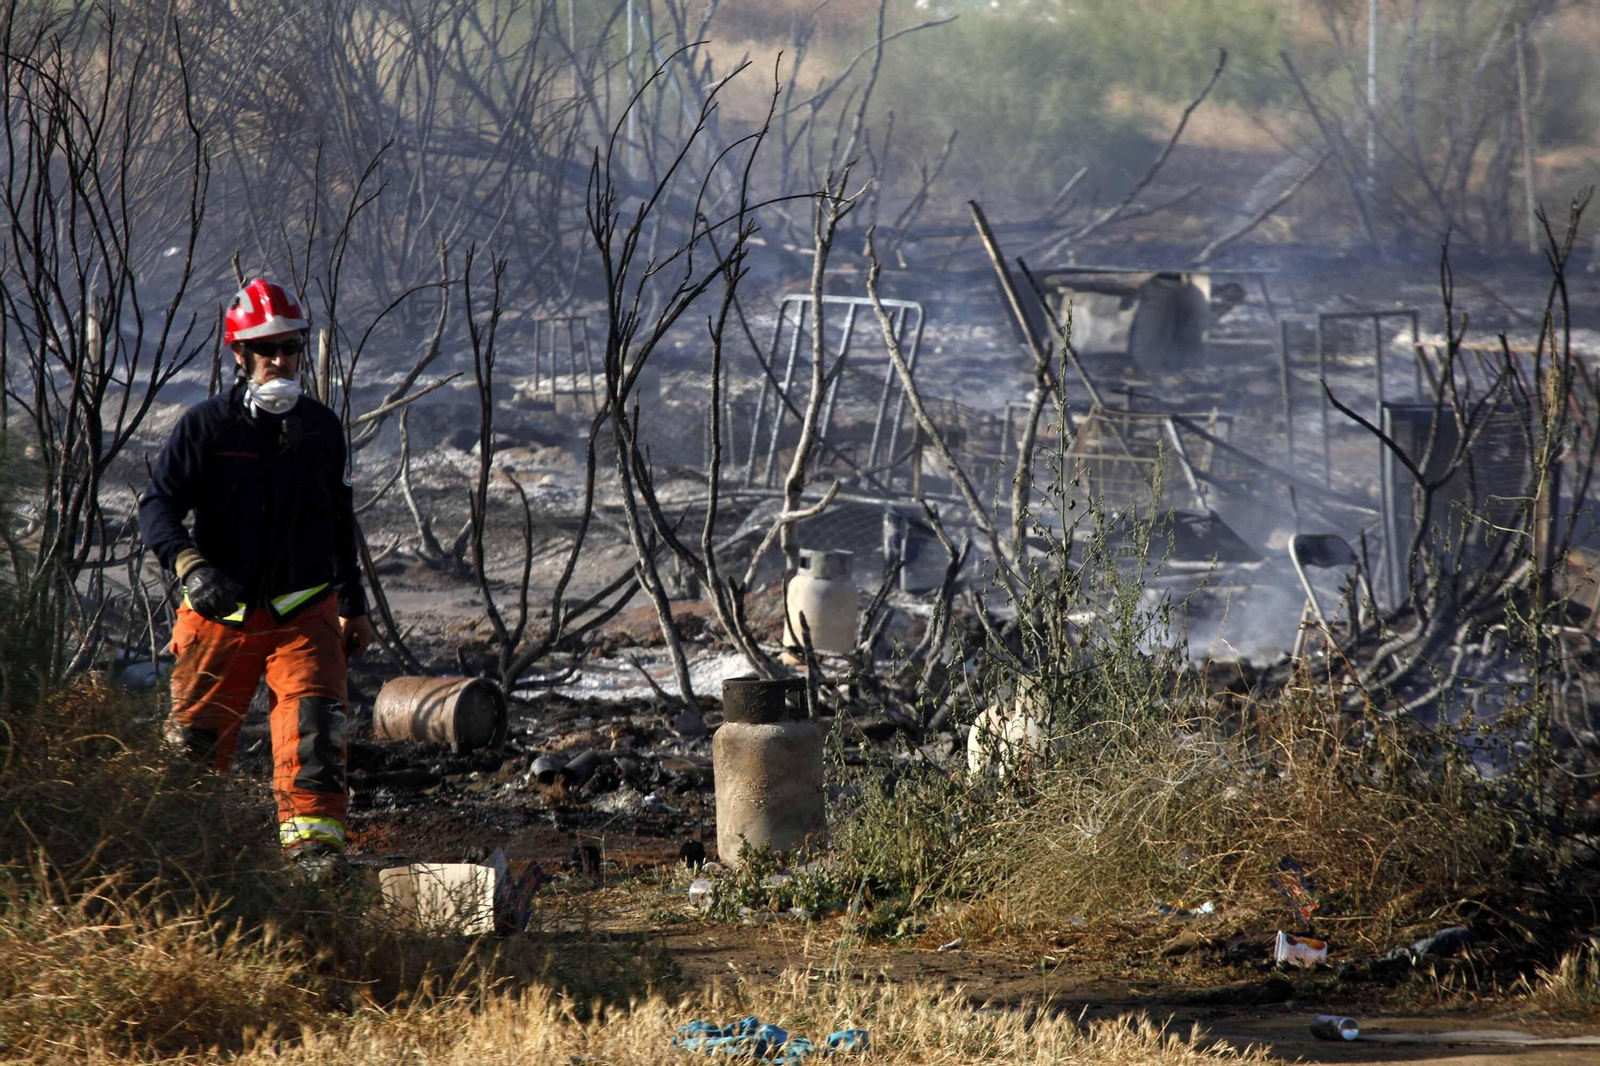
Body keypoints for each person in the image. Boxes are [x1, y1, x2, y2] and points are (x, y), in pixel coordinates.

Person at [139, 278, 374, 870]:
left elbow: (339, 519)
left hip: (304, 612)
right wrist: (191, 566)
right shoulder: (205, 428)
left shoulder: (321, 429)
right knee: (191, 755)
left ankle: (313, 864)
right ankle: (183, 867)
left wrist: (355, 602)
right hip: (220, 612)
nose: (280, 359)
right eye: (266, 348)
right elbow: (158, 506)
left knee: (316, 739)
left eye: (290, 347)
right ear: (239, 354)